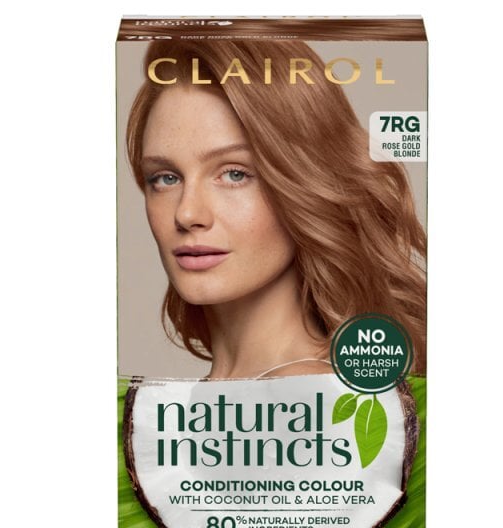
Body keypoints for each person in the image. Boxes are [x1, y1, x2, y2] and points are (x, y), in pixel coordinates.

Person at [126, 40, 426, 380]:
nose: (187, 213)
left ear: (305, 183)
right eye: (166, 178)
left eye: (235, 174)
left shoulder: (314, 394)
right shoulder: (233, 394)